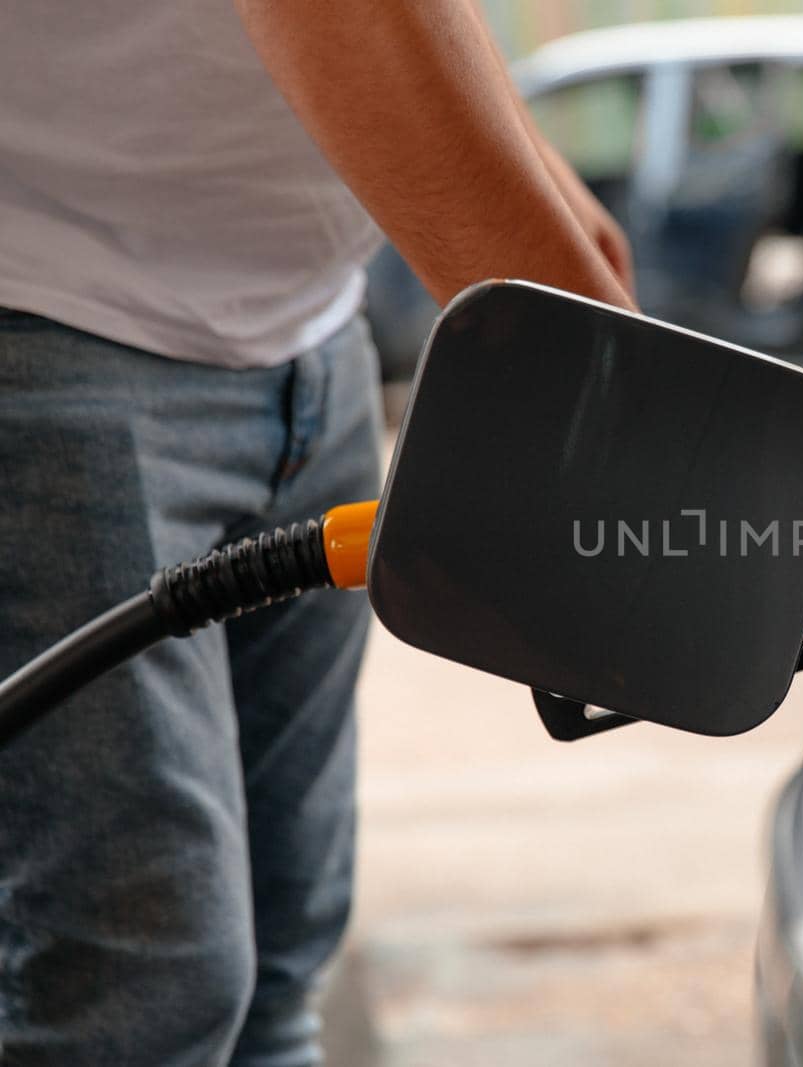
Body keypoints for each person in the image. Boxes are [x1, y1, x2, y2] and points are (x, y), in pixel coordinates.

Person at [0, 2, 633, 1064]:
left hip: (311, 332)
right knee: (138, 994)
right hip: (47, 323)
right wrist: (617, 408)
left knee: (284, 963)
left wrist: (552, 200)